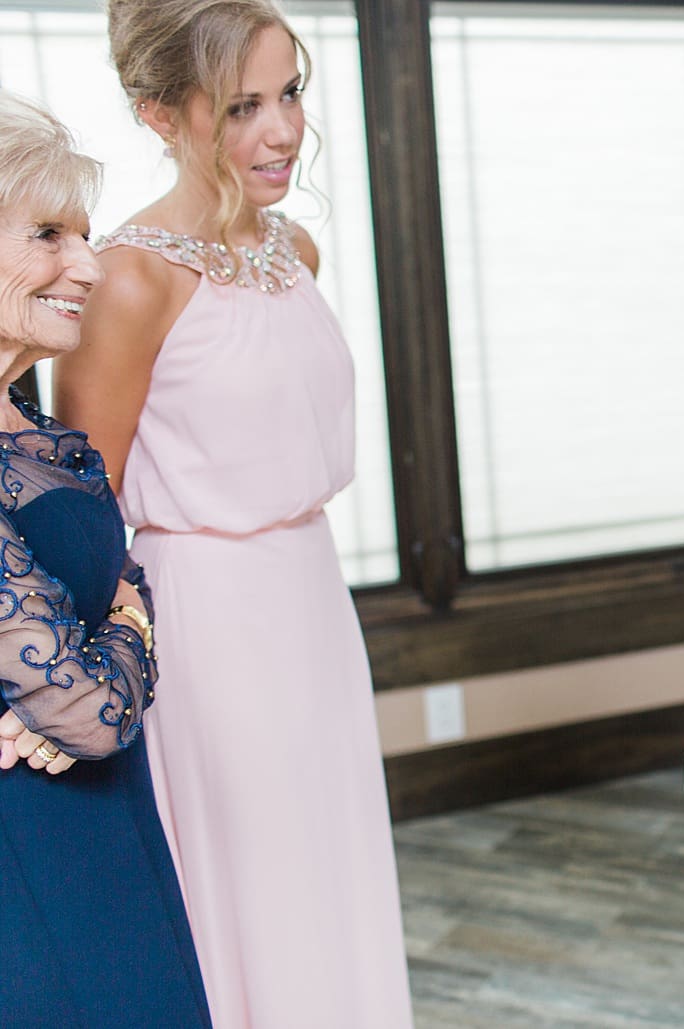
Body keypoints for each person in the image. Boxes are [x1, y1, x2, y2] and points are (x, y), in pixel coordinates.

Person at [52, 2, 412, 1025]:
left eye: (289, 93)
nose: (284, 130)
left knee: (328, 860)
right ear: (159, 113)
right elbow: (85, 514)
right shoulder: (130, 279)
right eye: (242, 106)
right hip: (208, 620)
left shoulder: (296, 249)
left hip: (312, 595)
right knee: (257, 880)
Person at [0, 89, 211, 1027]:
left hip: (107, 816)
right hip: (30, 849)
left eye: (85, 235)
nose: (87, 265)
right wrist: (127, 626)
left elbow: (119, 592)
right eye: (49, 234)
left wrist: (112, 631)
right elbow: (91, 712)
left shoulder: (28, 424)